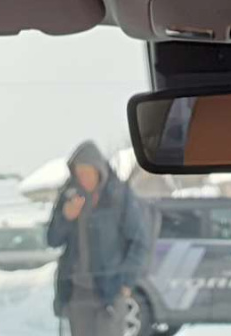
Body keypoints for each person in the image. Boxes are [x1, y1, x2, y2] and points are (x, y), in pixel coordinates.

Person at [47, 140, 151, 336]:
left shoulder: (119, 195)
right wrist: (65, 217)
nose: (83, 178)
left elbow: (139, 243)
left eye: (87, 173)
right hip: (77, 294)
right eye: (78, 173)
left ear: (99, 170)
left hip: (110, 293)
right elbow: (52, 240)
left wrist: (126, 283)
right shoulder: (69, 196)